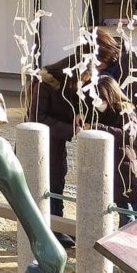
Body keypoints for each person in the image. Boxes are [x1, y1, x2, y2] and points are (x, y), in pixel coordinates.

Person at [26, 55, 81, 248]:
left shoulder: (70, 87)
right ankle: (49, 230)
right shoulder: (44, 85)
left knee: (57, 182)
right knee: (45, 184)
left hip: (56, 143)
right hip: (38, 143)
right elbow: (38, 118)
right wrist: (70, 129)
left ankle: (58, 226)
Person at [82, 75, 137, 227]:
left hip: (125, 164)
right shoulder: (101, 110)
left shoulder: (127, 110)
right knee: (123, 203)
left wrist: (97, 127)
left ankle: (130, 236)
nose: (99, 102)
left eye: (102, 98)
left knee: (127, 206)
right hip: (113, 163)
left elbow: (128, 135)